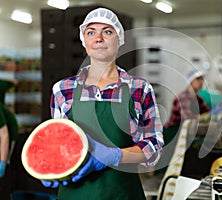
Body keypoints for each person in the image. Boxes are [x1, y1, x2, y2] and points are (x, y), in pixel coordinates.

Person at [41, 8, 164, 200]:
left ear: (119, 40)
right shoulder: (63, 90)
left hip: (122, 194)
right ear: (84, 41)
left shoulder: (139, 88)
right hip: (75, 195)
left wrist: (115, 155)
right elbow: (58, 144)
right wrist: (49, 164)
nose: (98, 38)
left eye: (107, 31)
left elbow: (154, 147)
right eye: (91, 32)